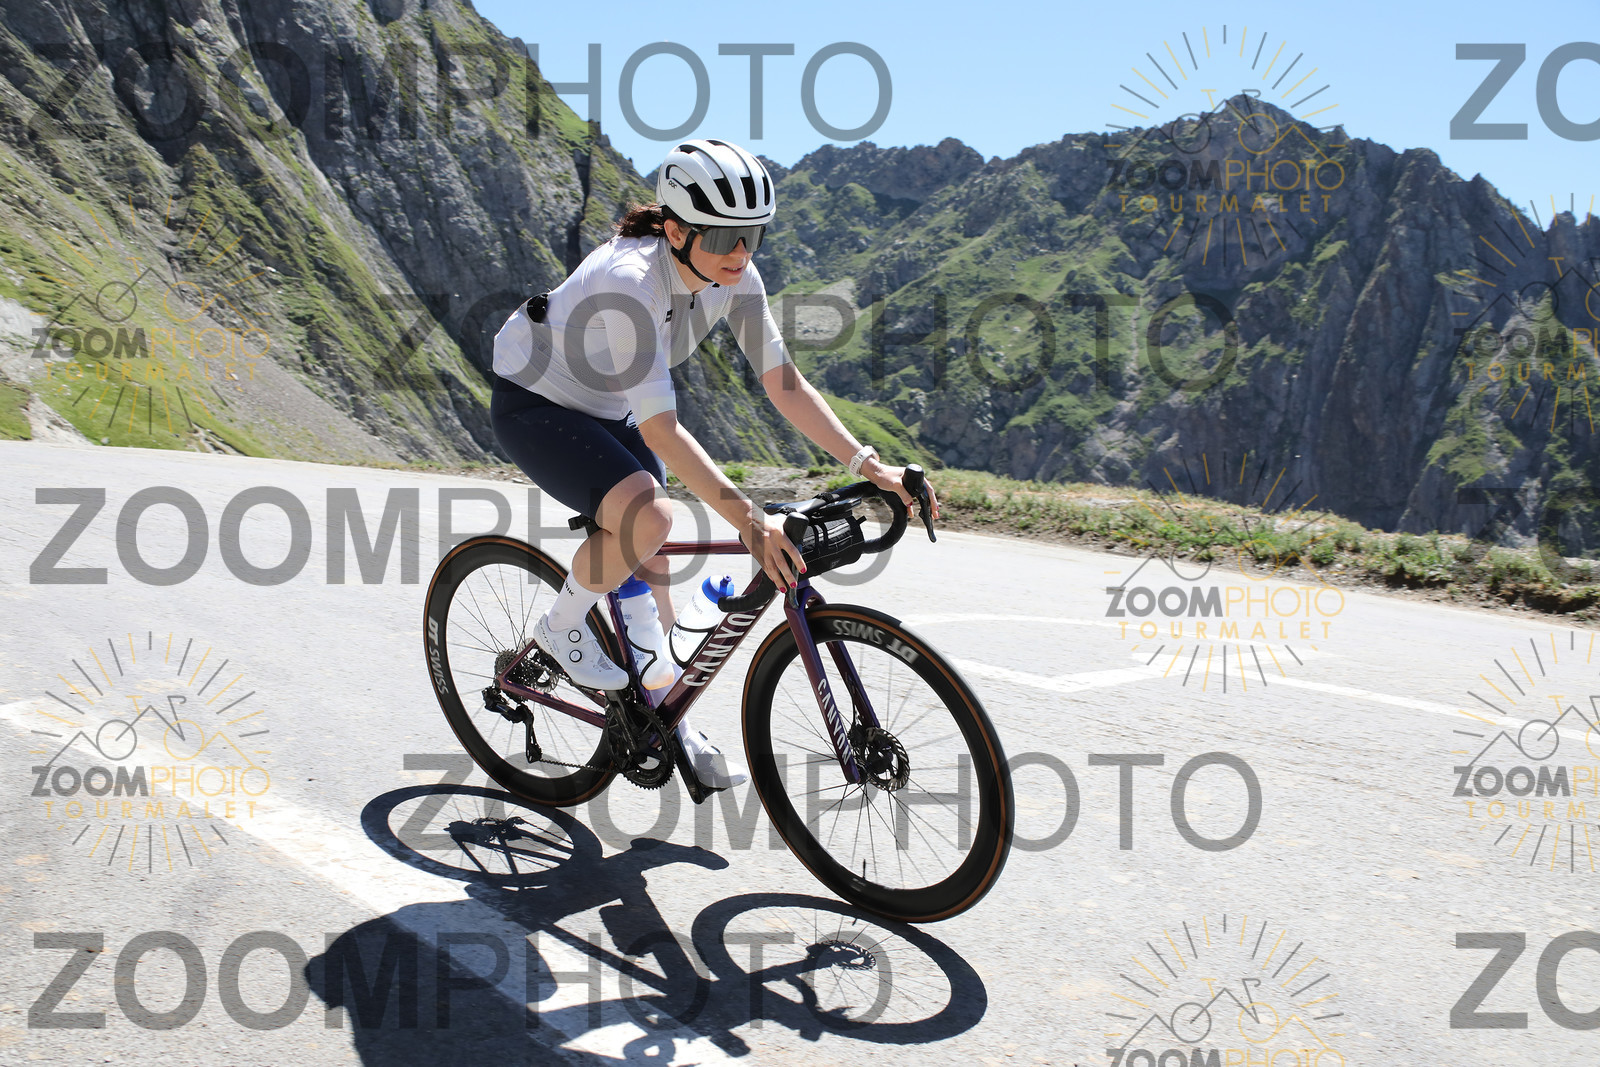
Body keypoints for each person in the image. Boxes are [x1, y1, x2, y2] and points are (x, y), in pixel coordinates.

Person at [489, 138, 939, 787]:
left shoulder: (738, 280)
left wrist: (871, 467)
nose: (741, 252)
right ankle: (560, 631)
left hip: (610, 405)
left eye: (752, 235)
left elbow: (785, 384)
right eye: (725, 237)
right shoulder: (631, 280)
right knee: (649, 518)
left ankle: (663, 718)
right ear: (675, 230)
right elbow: (663, 430)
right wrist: (751, 522)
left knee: (655, 570)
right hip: (537, 400)